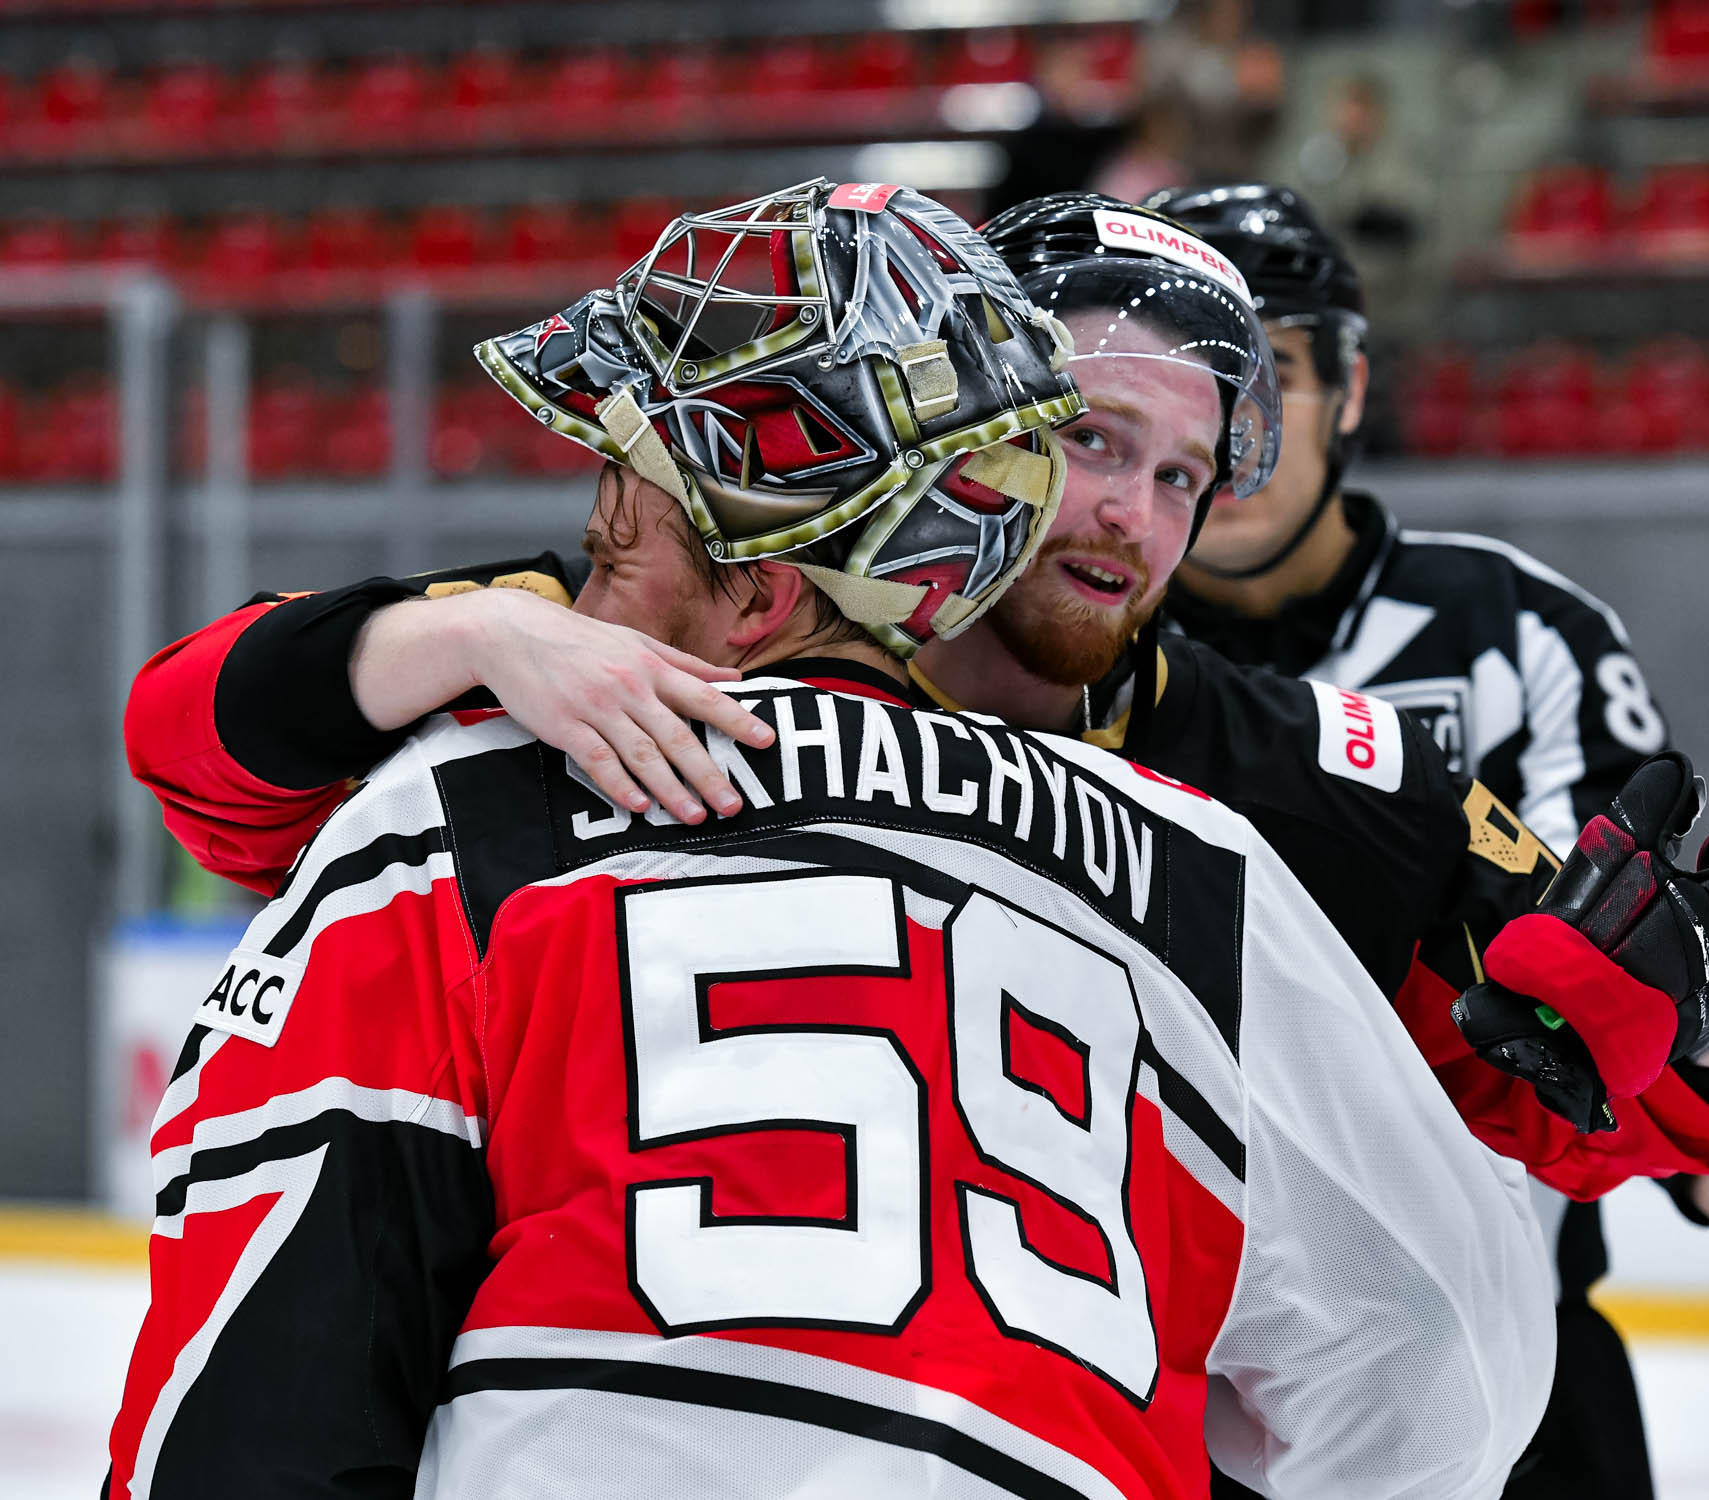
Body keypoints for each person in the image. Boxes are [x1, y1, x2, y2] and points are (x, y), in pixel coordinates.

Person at [107, 179, 1557, 1500]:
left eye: (625, 534)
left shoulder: (475, 806)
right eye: (1100, 445)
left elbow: (256, 1399)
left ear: (752, 599)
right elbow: (1447, 1362)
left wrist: (476, 639)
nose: (589, 566)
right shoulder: (1211, 874)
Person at [126, 196, 1709, 1198]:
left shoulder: (1293, 773)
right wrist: (456, 638)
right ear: (960, 419)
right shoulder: (682, 614)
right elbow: (195, 757)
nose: (1134, 517)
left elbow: (1610, 1080)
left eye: (1186, 477)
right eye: (1090, 442)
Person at [1143, 180, 1709, 1498]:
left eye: (1270, 370)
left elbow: (1627, 971)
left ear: (1348, 390)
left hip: (1503, 1323)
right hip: (1173, 1339)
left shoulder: (1521, 630)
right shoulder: (1072, 642)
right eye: (1192, 372)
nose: (1230, 424)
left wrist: (1702, 1161)